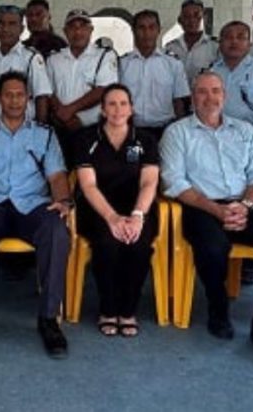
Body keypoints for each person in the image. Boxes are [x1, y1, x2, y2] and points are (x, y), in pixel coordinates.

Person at [160, 71, 253, 364]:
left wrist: (245, 205)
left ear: (225, 95)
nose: (210, 98)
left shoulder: (245, 131)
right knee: (211, 246)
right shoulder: (177, 132)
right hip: (201, 206)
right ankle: (217, 308)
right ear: (192, 97)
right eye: (202, 92)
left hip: (244, 202)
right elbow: (174, 181)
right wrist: (217, 210)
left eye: (215, 91)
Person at [0, 71, 73, 360]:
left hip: (33, 204)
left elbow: (58, 176)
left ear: (29, 99)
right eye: (7, 94)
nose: (13, 100)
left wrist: (63, 201)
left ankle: (49, 319)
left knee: (58, 230)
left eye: (19, 94)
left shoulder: (44, 135)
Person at [74, 83, 160, 338]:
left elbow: (149, 182)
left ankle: (128, 310)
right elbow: (87, 185)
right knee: (107, 244)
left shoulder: (145, 140)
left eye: (123, 103)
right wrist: (111, 217)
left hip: (138, 208)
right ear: (102, 110)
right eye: (111, 103)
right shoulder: (87, 139)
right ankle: (108, 309)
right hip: (98, 209)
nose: (117, 109)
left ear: (131, 109)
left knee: (139, 244)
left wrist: (136, 216)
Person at [46, 9, 118, 164]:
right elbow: (48, 91)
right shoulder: (54, 58)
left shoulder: (104, 55)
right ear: (65, 31)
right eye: (72, 27)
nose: (77, 32)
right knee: (63, 173)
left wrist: (70, 111)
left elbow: (103, 90)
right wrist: (63, 116)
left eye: (82, 26)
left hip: (93, 129)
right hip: (62, 129)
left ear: (91, 30)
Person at [119, 9, 189, 141]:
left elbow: (179, 102)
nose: (147, 33)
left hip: (165, 131)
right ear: (133, 31)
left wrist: (180, 135)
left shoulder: (173, 63)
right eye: (141, 28)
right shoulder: (122, 64)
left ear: (159, 30)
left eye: (152, 27)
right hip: (131, 131)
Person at [0, 4, 52, 126]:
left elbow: (41, 97)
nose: (6, 29)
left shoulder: (31, 58)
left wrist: (41, 131)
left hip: (24, 131)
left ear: (21, 29)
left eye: (12, 24)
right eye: (2, 24)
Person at [164, 0, 218, 84]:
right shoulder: (171, 48)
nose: (192, 20)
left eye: (197, 15)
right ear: (180, 20)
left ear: (205, 18)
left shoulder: (215, 47)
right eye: (186, 16)